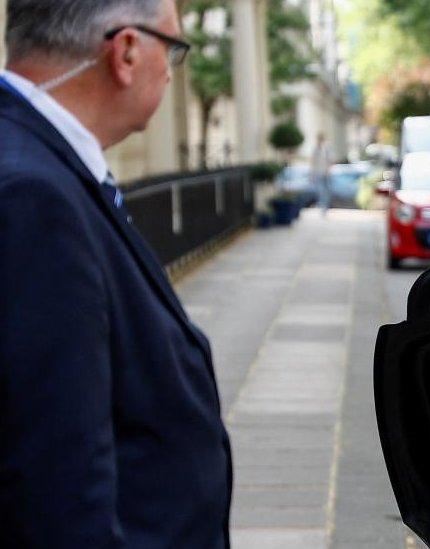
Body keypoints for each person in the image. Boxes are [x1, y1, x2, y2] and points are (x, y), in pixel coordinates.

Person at [0, 1, 231, 546]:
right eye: (171, 46)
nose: (172, 69)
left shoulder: (43, 162)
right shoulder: (31, 194)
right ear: (126, 51)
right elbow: (53, 474)